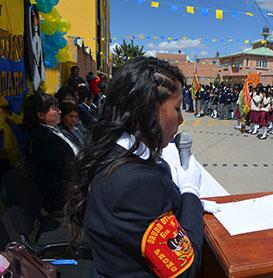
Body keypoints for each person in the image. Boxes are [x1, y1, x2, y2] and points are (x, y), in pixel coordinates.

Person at [65, 57, 204, 277]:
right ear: (151, 110)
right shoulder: (136, 184)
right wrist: (190, 191)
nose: (180, 120)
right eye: (177, 108)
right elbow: (185, 269)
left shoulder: (110, 148)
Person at [23, 93, 78, 212]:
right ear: (41, 115)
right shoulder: (40, 140)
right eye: (55, 109)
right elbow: (68, 169)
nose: (60, 112)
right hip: (66, 196)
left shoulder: (56, 130)